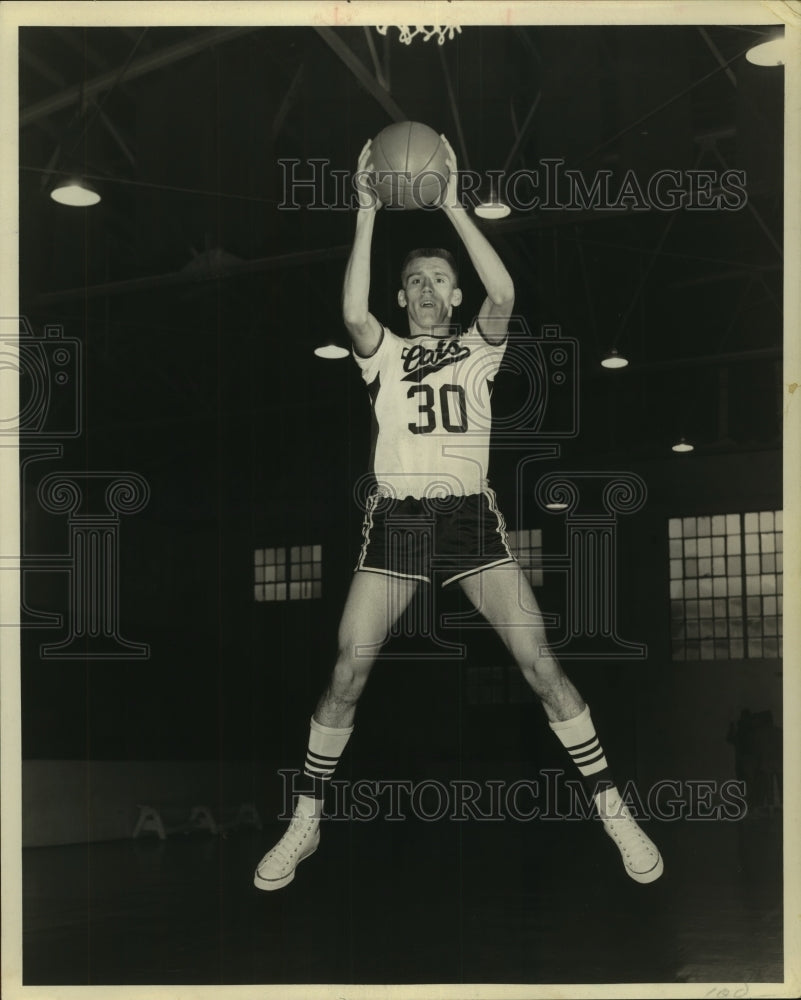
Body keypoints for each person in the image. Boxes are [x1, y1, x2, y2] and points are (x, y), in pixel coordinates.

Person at [254, 136, 663, 890]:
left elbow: (503, 295)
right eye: (413, 282)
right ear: (403, 296)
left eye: (438, 280)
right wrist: (366, 211)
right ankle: (306, 819)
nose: (424, 290)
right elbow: (350, 310)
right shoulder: (381, 352)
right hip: (400, 522)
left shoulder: (479, 346)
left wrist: (449, 202)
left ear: (453, 294)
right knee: (348, 667)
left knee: (540, 666)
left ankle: (612, 808)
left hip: (468, 518)